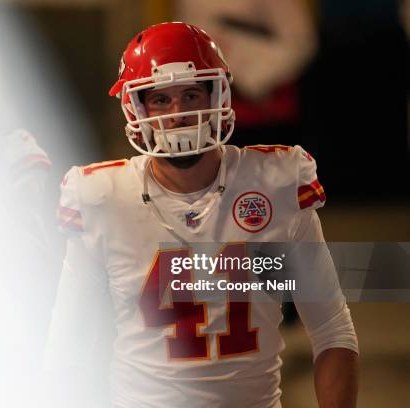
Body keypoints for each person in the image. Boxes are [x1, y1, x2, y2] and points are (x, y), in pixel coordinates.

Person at [45, 22, 358, 408]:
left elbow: (332, 331)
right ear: (136, 106)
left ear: (217, 96)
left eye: (191, 94)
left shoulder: (275, 183)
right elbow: (67, 349)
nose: (177, 113)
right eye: (160, 99)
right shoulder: (103, 199)